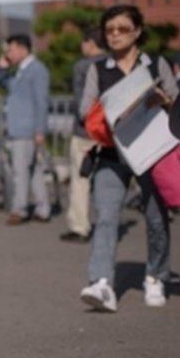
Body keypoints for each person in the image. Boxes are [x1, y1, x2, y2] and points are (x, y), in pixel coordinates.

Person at [78, 4, 178, 313]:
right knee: (106, 217)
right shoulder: (99, 69)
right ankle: (101, 283)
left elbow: (179, 108)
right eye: (110, 30)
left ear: (136, 31)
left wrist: (163, 100)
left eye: (122, 29)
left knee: (155, 218)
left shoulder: (156, 64)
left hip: (151, 154)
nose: (116, 35)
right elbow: (84, 110)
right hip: (111, 154)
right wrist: (106, 110)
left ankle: (155, 276)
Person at [0, 33, 51, 225]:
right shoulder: (20, 70)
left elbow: (41, 102)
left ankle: (19, 210)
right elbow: (6, 84)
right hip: (20, 128)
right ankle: (42, 208)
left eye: (10, 49)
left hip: (26, 129)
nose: (8, 53)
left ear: (22, 48)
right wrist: (2, 69)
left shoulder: (37, 70)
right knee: (34, 170)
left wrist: (40, 129)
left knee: (20, 171)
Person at [62, 26, 104, 243]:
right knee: (108, 181)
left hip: (86, 131)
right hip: (111, 133)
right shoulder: (114, 63)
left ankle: (80, 226)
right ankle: (107, 224)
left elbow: (81, 103)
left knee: (81, 180)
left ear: (90, 43)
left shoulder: (83, 66)